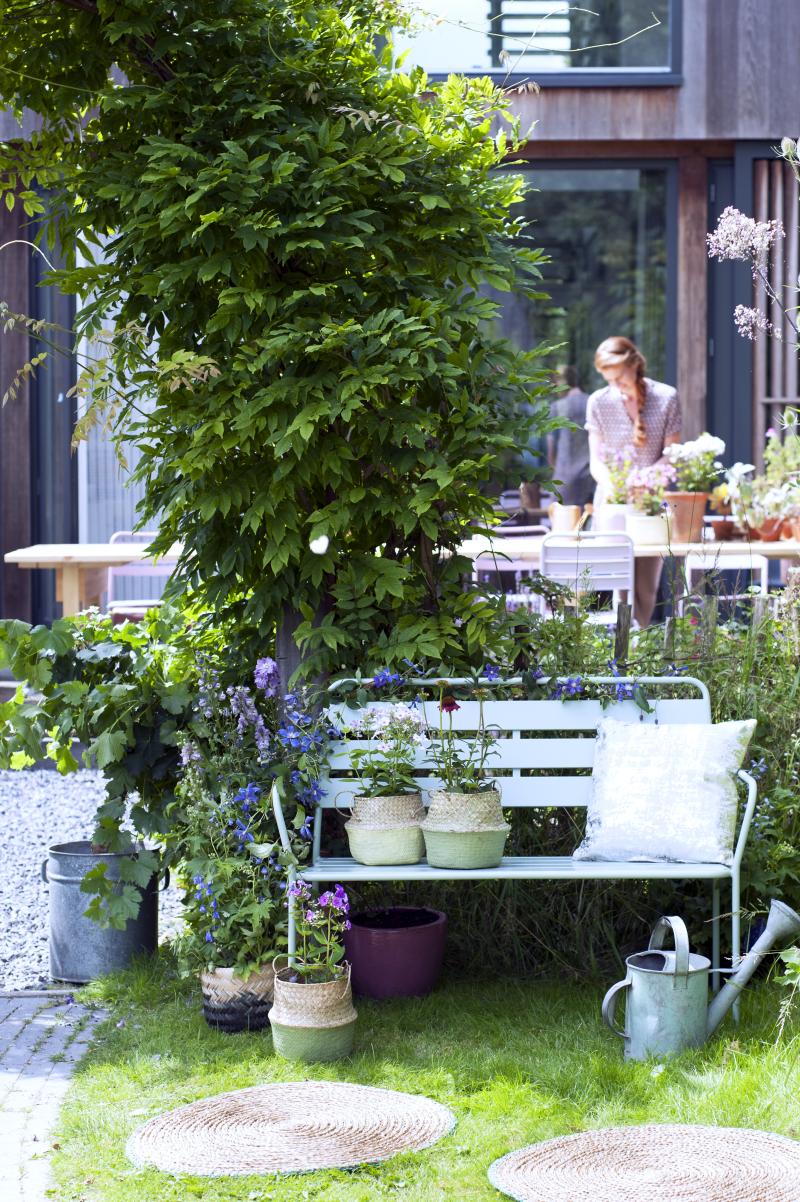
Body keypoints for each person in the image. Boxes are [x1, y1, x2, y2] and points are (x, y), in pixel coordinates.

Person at [586, 336, 681, 627]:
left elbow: (673, 454)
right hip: (614, 504)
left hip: (651, 502)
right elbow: (596, 461)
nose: (615, 384)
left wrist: (645, 479)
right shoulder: (599, 402)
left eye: (619, 376)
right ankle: (621, 650)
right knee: (620, 581)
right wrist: (617, 485)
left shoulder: (666, 397)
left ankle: (639, 645)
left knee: (647, 584)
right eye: (608, 379)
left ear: (634, 364)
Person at [547, 365, 593, 508]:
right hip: (592, 479)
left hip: (564, 480)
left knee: (564, 526)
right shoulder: (593, 402)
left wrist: (555, 467)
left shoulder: (557, 407)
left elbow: (551, 451)